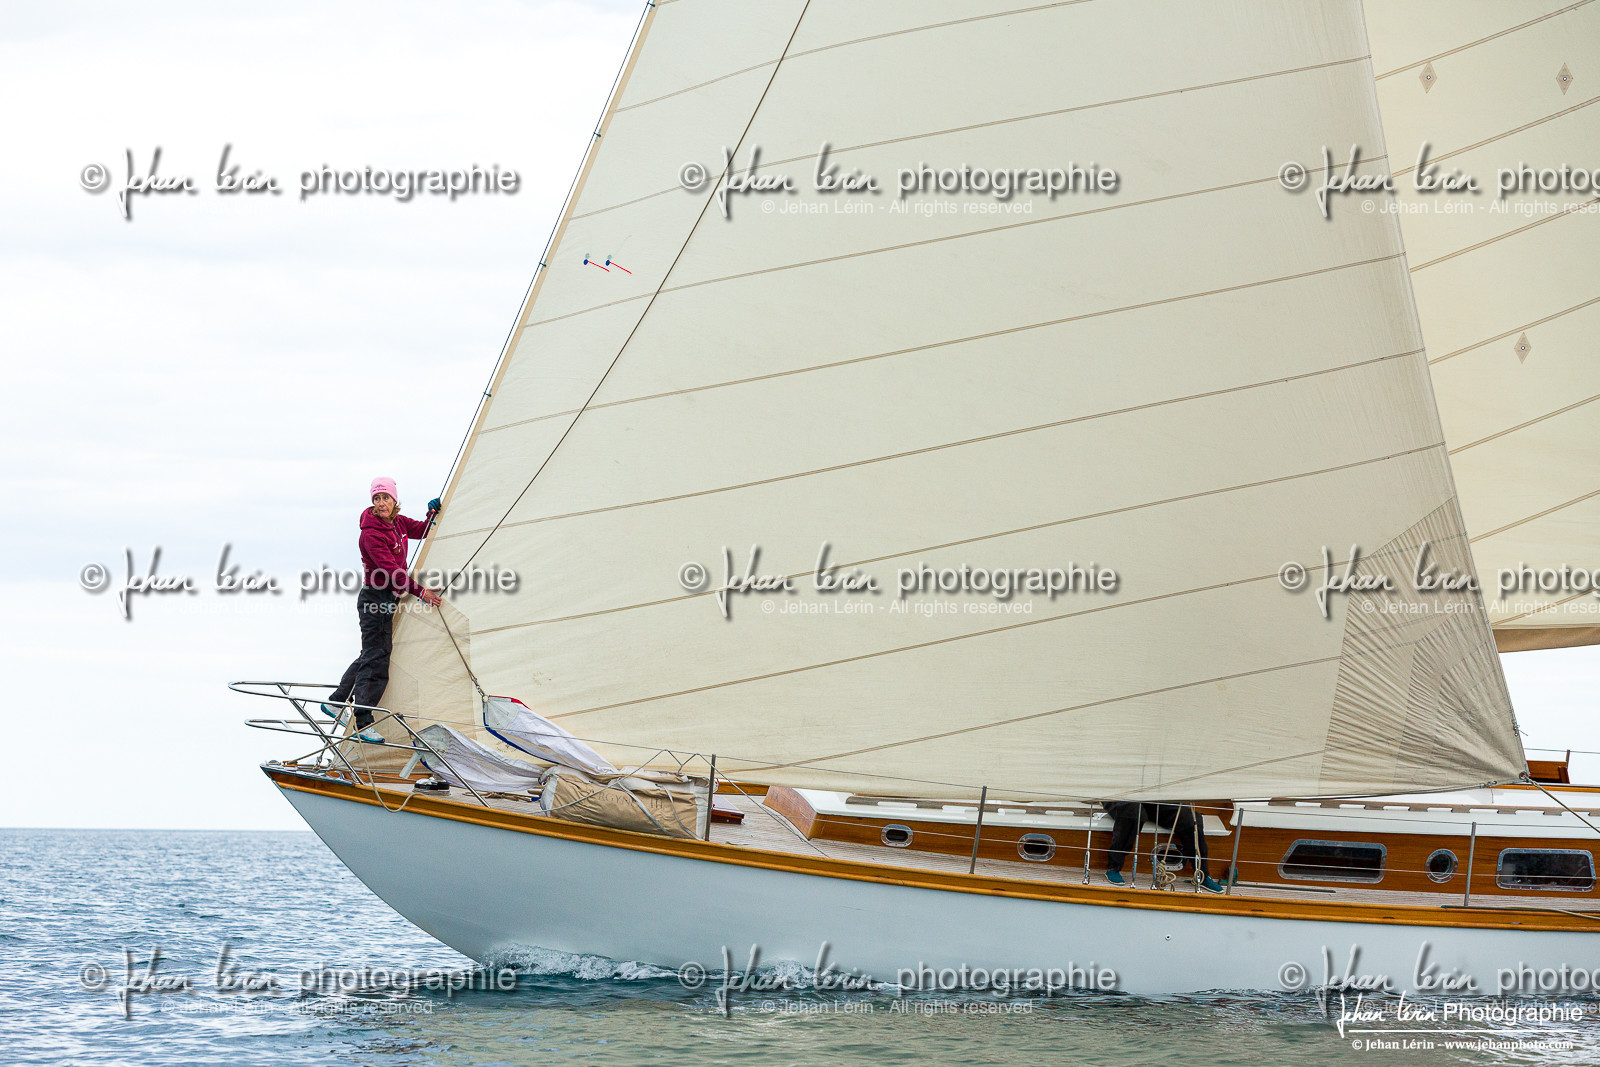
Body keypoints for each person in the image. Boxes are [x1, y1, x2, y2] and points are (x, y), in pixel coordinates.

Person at [324, 478, 442, 741]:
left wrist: (432, 513)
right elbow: (392, 573)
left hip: (386, 599)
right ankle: (363, 721)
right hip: (374, 599)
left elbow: (422, 531)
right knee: (377, 659)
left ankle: (336, 701)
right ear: (373, 503)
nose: (381, 503)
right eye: (377, 499)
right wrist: (422, 592)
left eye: (385, 498)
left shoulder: (398, 523)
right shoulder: (371, 533)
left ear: (394, 500)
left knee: (371, 654)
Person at [1101, 801, 1224, 893]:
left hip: (1155, 795)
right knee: (1133, 813)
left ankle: (1201, 874)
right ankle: (1113, 867)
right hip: (1123, 792)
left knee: (1190, 818)